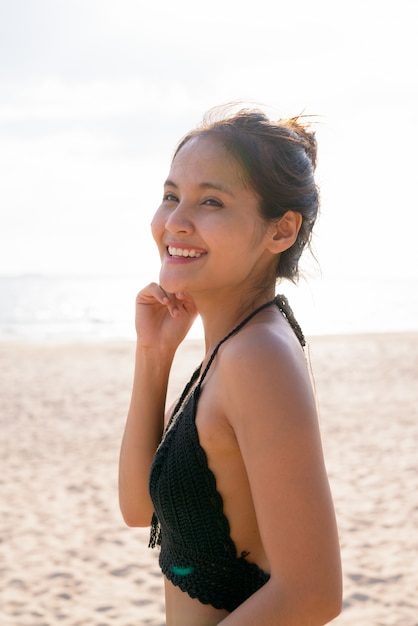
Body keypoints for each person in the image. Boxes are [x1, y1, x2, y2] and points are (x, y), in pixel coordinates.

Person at [119, 106, 342, 625]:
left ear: (281, 231)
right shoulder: (235, 347)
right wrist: (154, 356)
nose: (175, 221)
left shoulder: (257, 357)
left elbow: (312, 594)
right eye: (172, 195)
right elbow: (139, 509)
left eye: (211, 201)